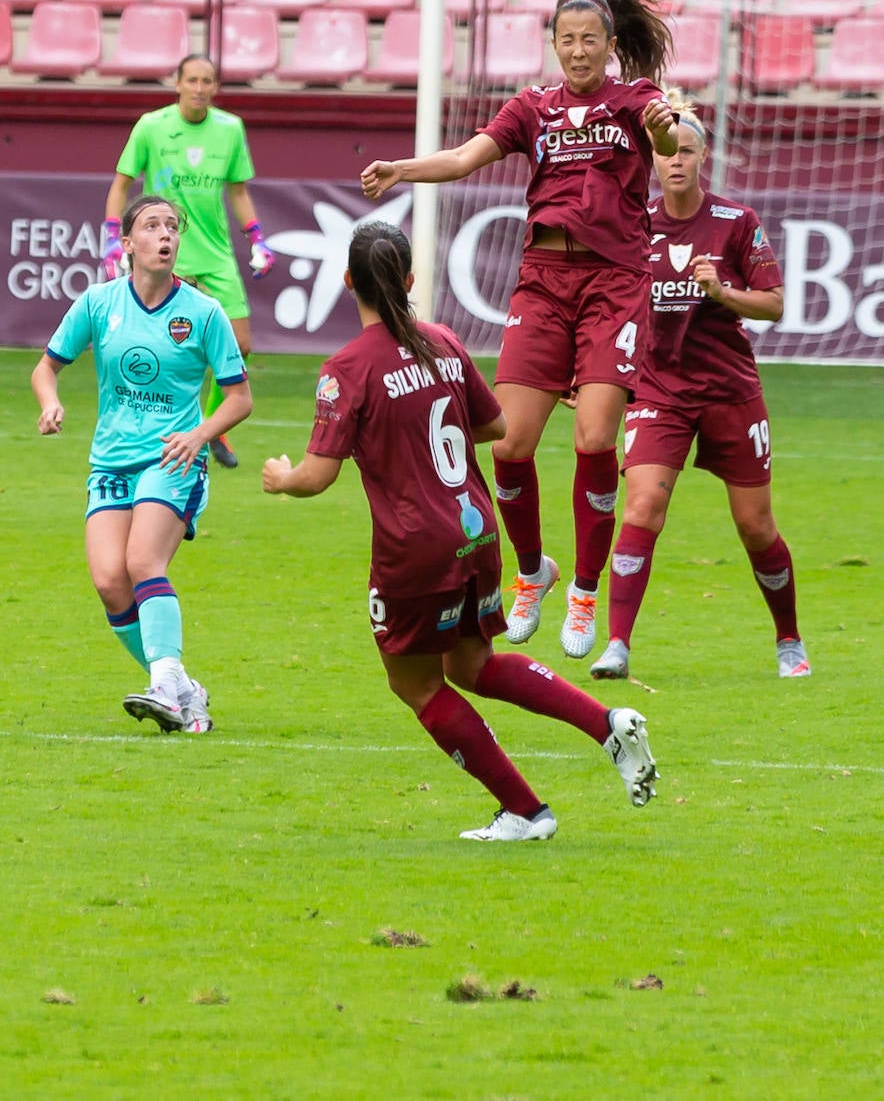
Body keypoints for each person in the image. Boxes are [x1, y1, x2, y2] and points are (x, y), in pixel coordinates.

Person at [261, 220, 658, 841]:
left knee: (415, 683)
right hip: (476, 533)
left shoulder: (346, 368)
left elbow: (317, 476)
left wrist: (281, 478)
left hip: (415, 550)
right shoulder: (442, 340)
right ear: (412, 281)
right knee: (473, 665)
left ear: (347, 283)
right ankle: (606, 722)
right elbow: (496, 427)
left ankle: (527, 812)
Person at [361, 0, 678, 662]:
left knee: (596, 438)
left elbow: (672, 142)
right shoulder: (532, 106)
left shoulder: (636, 100)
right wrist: (402, 169)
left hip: (616, 284)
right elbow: (467, 157)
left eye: (589, 38)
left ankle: (586, 591)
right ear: (554, 42)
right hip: (544, 283)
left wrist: (666, 128)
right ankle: (533, 570)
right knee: (507, 443)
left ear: (610, 40)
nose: (577, 49)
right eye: (566, 38)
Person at [590, 90, 809, 682]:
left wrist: (724, 294)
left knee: (755, 526)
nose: (677, 161)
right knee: (643, 505)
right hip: (659, 392)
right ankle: (617, 645)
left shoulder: (737, 223)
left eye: (688, 151)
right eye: (669, 153)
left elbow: (774, 304)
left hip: (731, 392)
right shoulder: (633, 227)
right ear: (654, 159)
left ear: (702, 157)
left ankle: (788, 637)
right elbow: (604, 306)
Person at [32, 194, 253, 732]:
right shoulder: (98, 304)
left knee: (141, 563)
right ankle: (180, 687)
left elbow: (239, 398)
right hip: (110, 461)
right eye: (152, 226)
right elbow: (45, 367)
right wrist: (50, 402)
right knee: (110, 581)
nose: (166, 235)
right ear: (128, 244)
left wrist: (199, 435)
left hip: (171, 459)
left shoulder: (204, 313)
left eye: (172, 227)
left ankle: (165, 686)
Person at [102, 53, 273, 470]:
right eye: (192, 80)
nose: (200, 88)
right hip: (166, 250)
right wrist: (112, 239)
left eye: (208, 81)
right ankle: (159, 424)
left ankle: (215, 424)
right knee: (163, 344)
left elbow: (237, 190)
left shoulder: (230, 129)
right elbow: (122, 183)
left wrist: (256, 236)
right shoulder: (151, 126)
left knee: (242, 344)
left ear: (215, 87)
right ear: (177, 83)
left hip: (214, 251)